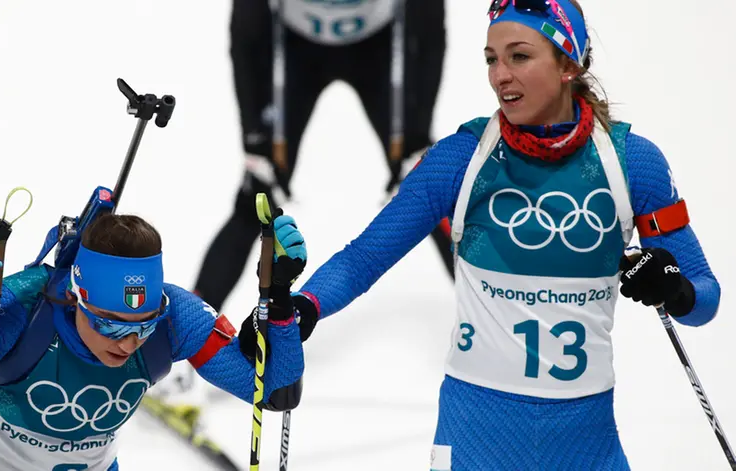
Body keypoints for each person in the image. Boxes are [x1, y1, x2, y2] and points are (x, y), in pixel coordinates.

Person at [239, 0, 722, 468]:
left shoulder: (633, 164)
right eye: (492, 59)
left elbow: (705, 298)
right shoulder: (459, 159)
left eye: (520, 56)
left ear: (568, 65)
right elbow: (363, 259)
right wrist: (303, 308)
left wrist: (674, 288)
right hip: (473, 443)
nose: (500, 76)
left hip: (585, 447)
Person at [0, 210, 307, 471]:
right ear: (76, 297)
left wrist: (281, 300)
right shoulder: (27, 309)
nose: (130, 342)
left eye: (144, 324)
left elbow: (275, 394)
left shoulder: (175, 317)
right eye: (110, 323)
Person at [194, 0, 453, 316]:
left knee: (424, 179)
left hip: (376, 48)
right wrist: (254, 137)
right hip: (299, 51)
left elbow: (429, 28)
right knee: (259, 188)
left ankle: (497, 309)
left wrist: (418, 125)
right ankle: (188, 333)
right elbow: (246, 34)